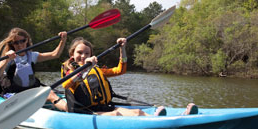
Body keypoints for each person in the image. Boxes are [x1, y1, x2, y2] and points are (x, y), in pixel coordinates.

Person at [61, 37, 198, 116]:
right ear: (72, 54)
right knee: (116, 114)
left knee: (138, 111)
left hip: (103, 108)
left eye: (87, 53)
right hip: (85, 112)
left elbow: (120, 70)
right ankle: (158, 122)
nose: (83, 56)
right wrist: (85, 68)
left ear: (91, 55)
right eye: (80, 52)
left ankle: (177, 118)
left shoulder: (96, 70)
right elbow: (66, 84)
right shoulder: (69, 69)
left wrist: (123, 49)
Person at [0, 27, 68, 112]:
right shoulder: (8, 57)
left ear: (27, 40)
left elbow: (55, 54)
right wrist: (6, 60)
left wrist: (63, 40)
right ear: (12, 44)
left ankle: (69, 110)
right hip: (13, 93)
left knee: (51, 94)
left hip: (29, 91)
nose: (20, 45)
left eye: (22, 41)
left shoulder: (32, 56)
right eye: (16, 43)